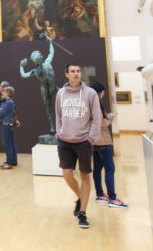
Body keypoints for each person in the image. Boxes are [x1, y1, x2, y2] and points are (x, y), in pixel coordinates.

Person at [55, 63, 102, 229]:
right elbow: (58, 115)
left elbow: (97, 118)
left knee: (84, 176)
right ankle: (81, 198)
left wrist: (91, 138)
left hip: (83, 142)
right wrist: (58, 132)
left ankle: (82, 213)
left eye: (78, 71)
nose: (75, 74)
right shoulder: (60, 93)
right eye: (72, 71)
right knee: (67, 175)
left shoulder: (90, 93)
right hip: (64, 141)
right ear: (66, 74)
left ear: (80, 74)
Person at [89, 81, 129, 208]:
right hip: (103, 141)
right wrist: (110, 119)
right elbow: (101, 122)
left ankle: (100, 194)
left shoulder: (90, 103)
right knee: (110, 169)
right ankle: (112, 198)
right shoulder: (96, 104)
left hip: (95, 141)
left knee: (97, 169)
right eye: (103, 92)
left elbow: (99, 118)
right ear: (100, 92)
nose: (103, 94)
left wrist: (109, 115)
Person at [0, 86, 18, 169]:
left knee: (8, 144)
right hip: (9, 125)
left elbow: (0, 113)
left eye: (4, 91)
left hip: (6, 126)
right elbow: (1, 111)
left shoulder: (8, 103)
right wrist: (0, 110)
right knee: (11, 144)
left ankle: (9, 163)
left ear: (8, 93)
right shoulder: (10, 102)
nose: (2, 93)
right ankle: (13, 161)